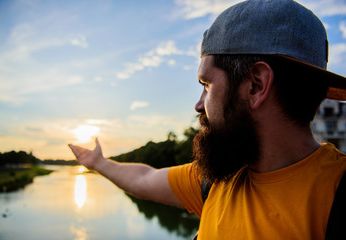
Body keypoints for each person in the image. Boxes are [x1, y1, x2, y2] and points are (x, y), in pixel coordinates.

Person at [69, 0, 346, 239]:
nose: (198, 105)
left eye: (207, 84)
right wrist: (97, 163)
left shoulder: (334, 195)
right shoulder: (218, 178)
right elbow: (145, 178)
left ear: (255, 85)